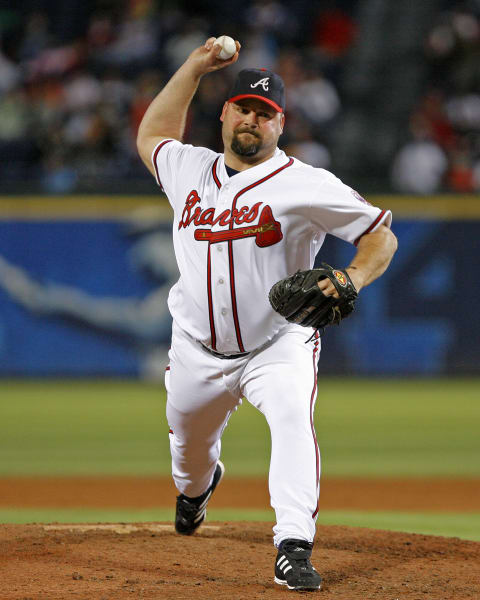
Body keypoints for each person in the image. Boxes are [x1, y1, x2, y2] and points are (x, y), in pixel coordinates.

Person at [136, 38, 397, 592]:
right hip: (195, 348)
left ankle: (293, 546)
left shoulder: (306, 183)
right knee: (188, 458)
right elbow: (153, 134)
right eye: (244, 108)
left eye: (266, 113)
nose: (253, 119)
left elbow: (379, 236)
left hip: (278, 343)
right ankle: (197, 492)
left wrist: (352, 277)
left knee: (291, 421)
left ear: (281, 125)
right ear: (225, 113)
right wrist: (195, 65)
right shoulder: (188, 168)